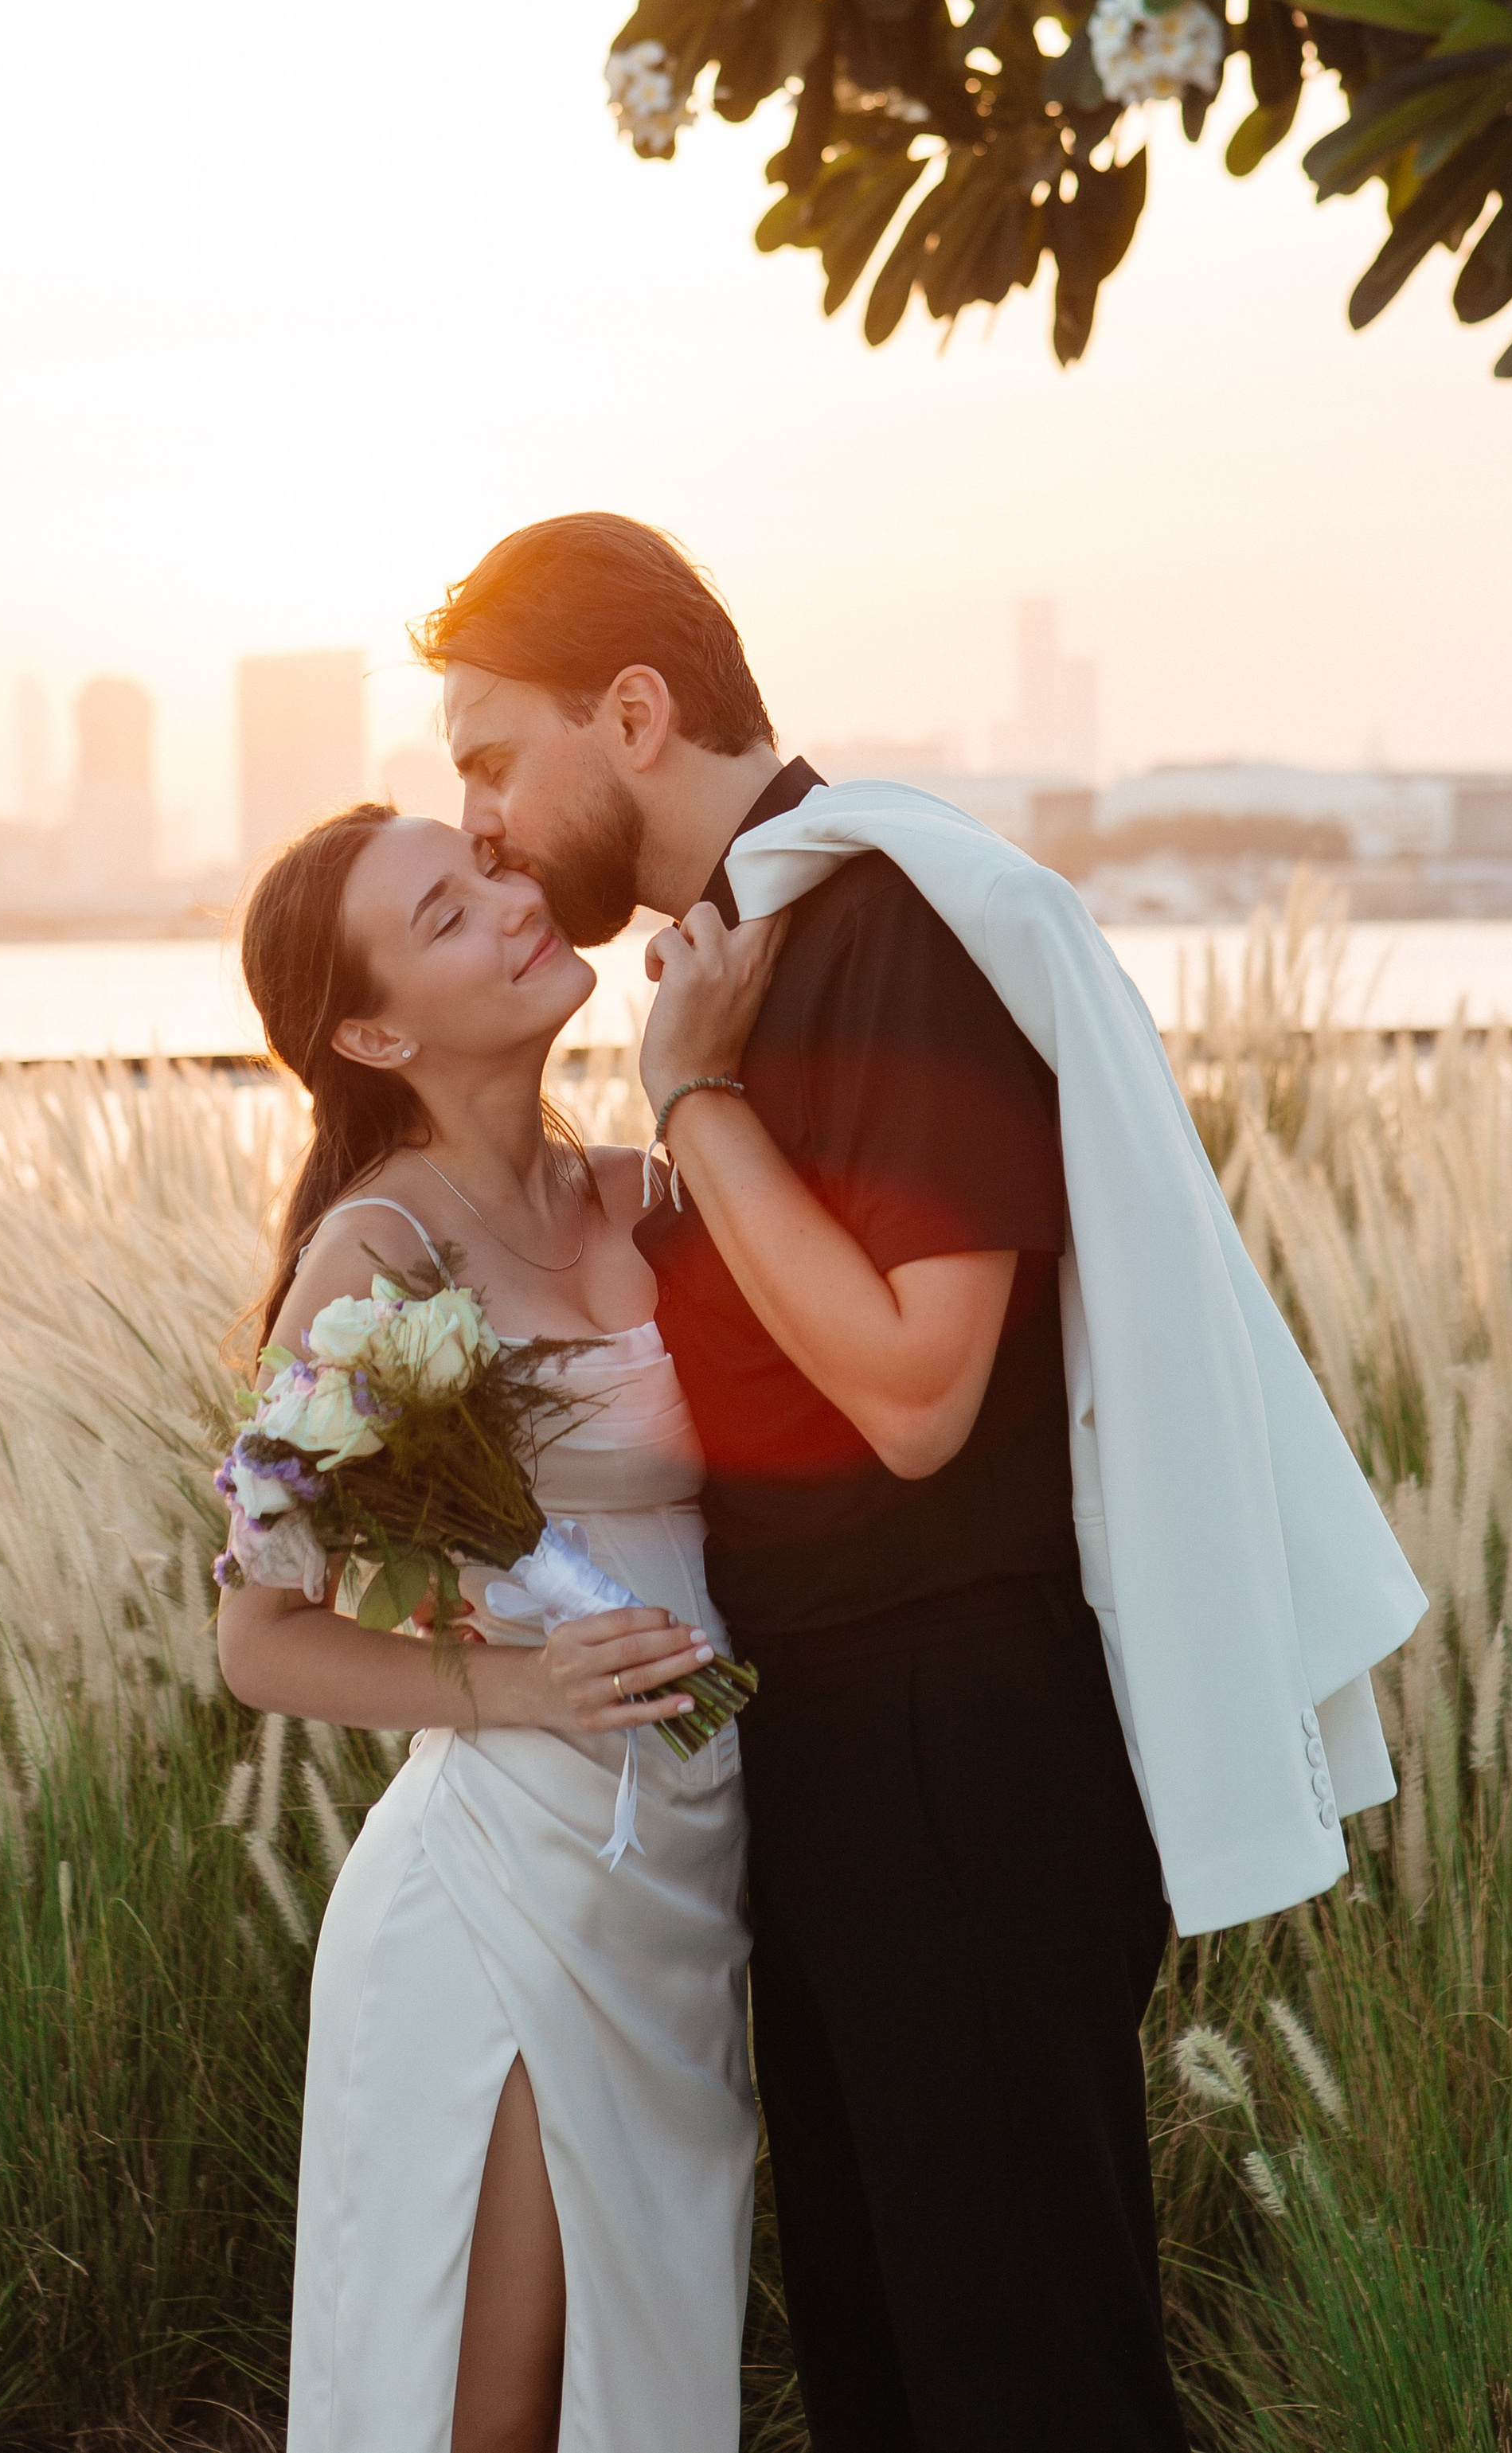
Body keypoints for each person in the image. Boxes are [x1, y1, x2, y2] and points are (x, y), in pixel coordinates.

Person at [413, 513, 1201, 2451]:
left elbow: (921, 1395)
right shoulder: (742, 962)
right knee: (890, 2364)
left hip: (959, 1744)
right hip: (837, 1758)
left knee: (1022, 2375)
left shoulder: (881, 928)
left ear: (631, 710)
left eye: (491, 760)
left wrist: (692, 1100)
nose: (484, 824)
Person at [214, 802, 756, 2453]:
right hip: (505, 1892)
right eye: (448, 915)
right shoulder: (377, 1252)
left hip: (679, 1866)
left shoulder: (642, 1184)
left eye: (490, 872)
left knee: (643, 2383)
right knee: (491, 2409)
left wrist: (701, 1070)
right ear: (374, 1030)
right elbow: (256, 1632)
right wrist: (515, 1681)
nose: (516, 903)